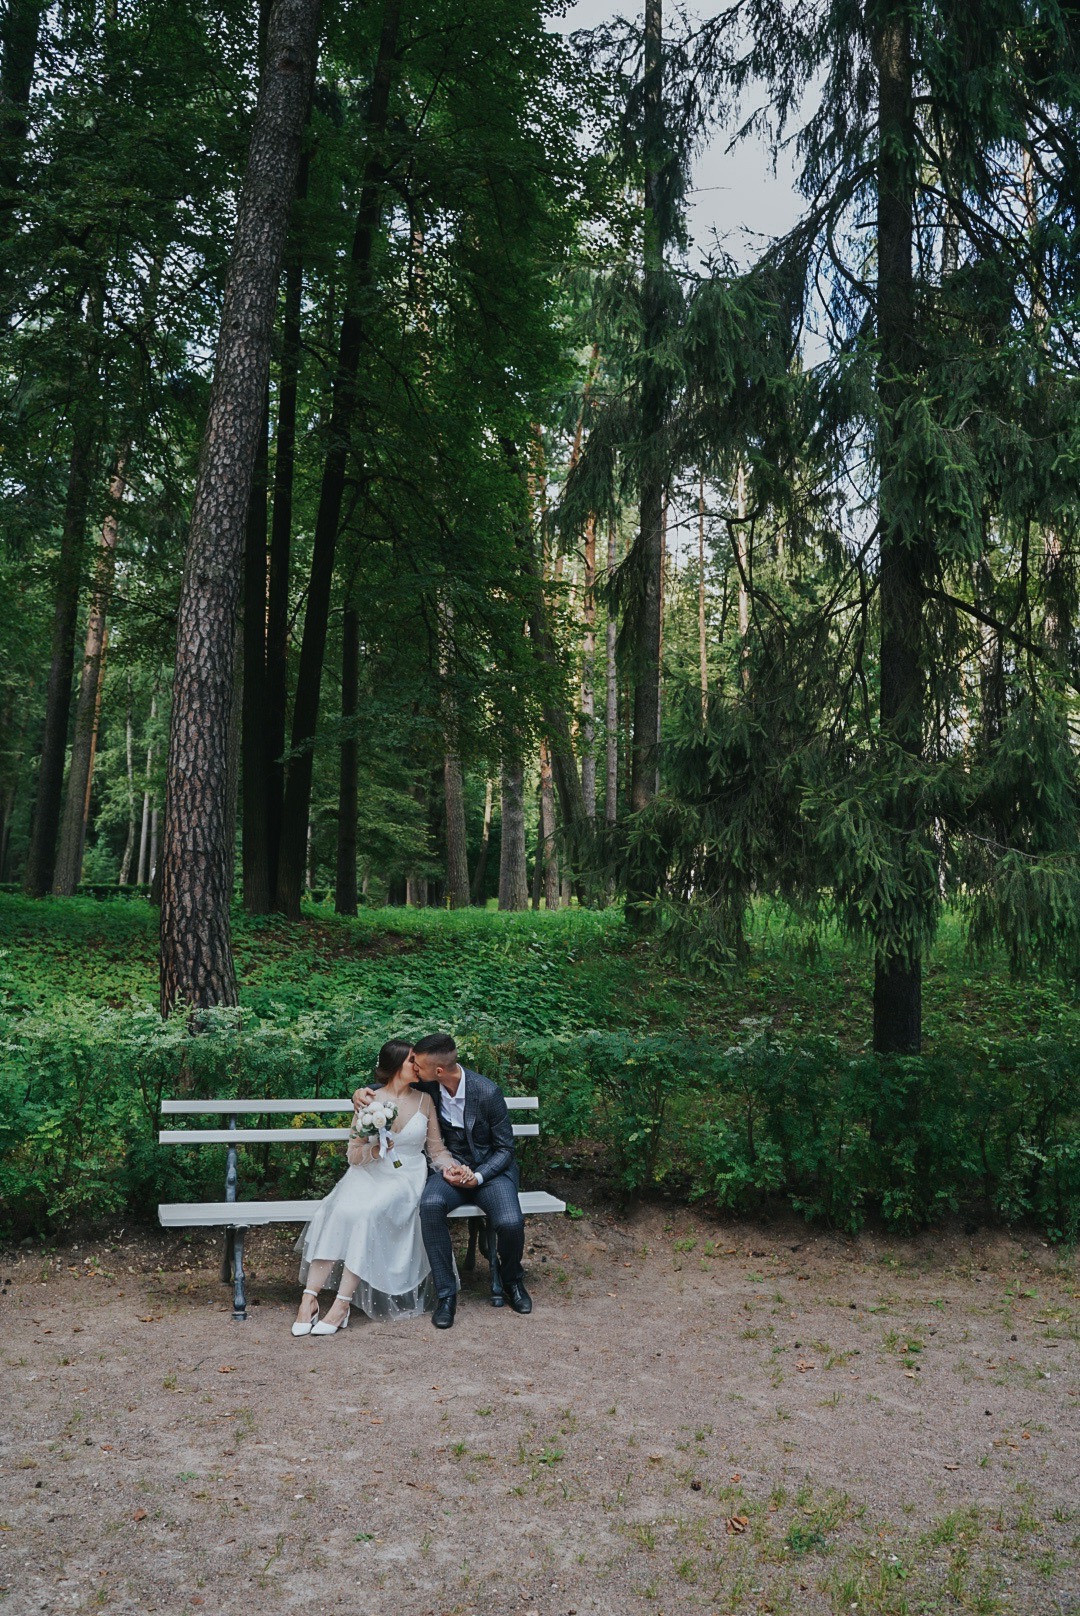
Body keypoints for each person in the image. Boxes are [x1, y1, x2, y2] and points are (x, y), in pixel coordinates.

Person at [354, 1032, 531, 1330]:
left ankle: (512, 1278)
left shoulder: (487, 1093)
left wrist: (477, 1176)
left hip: (490, 1174)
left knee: (511, 1222)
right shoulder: (430, 1085)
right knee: (431, 1205)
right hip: (448, 1170)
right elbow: (387, 1088)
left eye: (417, 1065)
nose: (414, 1069)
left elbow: (505, 1150)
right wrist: (358, 1093)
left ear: (437, 1071)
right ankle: (447, 1295)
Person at [291, 1039, 457, 1335]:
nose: (417, 1066)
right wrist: (375, 1152)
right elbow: (353, 1155)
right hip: (368, 1172)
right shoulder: (368, 1100)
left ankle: (342, 1303)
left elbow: (436, 1149)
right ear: (395, 1066)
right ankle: (309, 1299)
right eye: (411, 1061)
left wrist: (452, 1168)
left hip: (405, 1176)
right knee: (338, 1210)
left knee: (367, 1213)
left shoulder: (425, 1100)